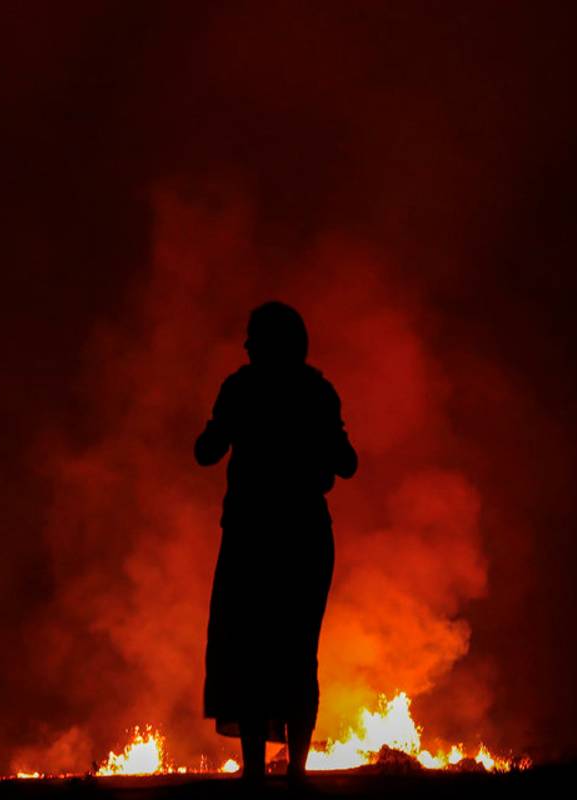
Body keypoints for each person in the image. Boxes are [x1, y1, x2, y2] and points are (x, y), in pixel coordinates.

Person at [195, 301, 358, 785]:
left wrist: (225, 427)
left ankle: (253, 774)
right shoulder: (317, 392)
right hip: (305, 536)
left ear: (267, 343)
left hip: (252, 536)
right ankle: (298, 771)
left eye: (253, 337)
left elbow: (205, 452)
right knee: (296, 650)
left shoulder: (241, 389)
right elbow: (347, 463)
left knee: (249, 649)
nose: (245, 345)